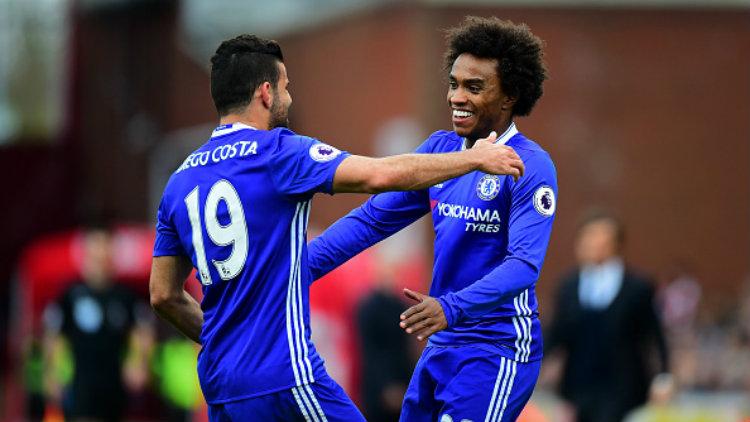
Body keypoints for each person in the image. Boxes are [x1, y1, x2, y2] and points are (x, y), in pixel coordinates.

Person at [148, 34, 525, 421]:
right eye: (286, 87)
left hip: (221, 387)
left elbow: (163, 295)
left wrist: (221, 339)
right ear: (265, 92)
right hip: (287, 378)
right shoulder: (278, 151)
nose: (289, 98)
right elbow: (378, 175)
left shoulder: (178, 181)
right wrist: (474, 159)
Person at [308, 16, 556, 422]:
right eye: (454, 83)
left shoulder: (530, 165)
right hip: (442, 343)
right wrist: (294, 270)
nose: (457, 96)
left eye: (474, 87)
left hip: (497, 348)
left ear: (509, 96)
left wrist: (451, 307)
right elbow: (371, 221)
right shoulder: (440, 153)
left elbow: (524, 266)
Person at [543, 211, 670, 422]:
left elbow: (654, 333)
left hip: (623, 383)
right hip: (579, 383)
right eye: (588, 237)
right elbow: (557, 332)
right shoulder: (568, 286)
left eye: (600, 237)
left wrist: (664, 375)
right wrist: (534, 362)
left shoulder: (637, 286)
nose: (593, 243)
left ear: (616, 243)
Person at [43, 227, 152, 422]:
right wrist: (52, 372)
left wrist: (138, 362)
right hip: (82, 382)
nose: (100, 260)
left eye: (104, 253)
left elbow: (141, 330)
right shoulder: (70, 295)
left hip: (115, 383)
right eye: (95, 254)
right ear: (86, 256)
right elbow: (53, 334)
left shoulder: (125, 296)